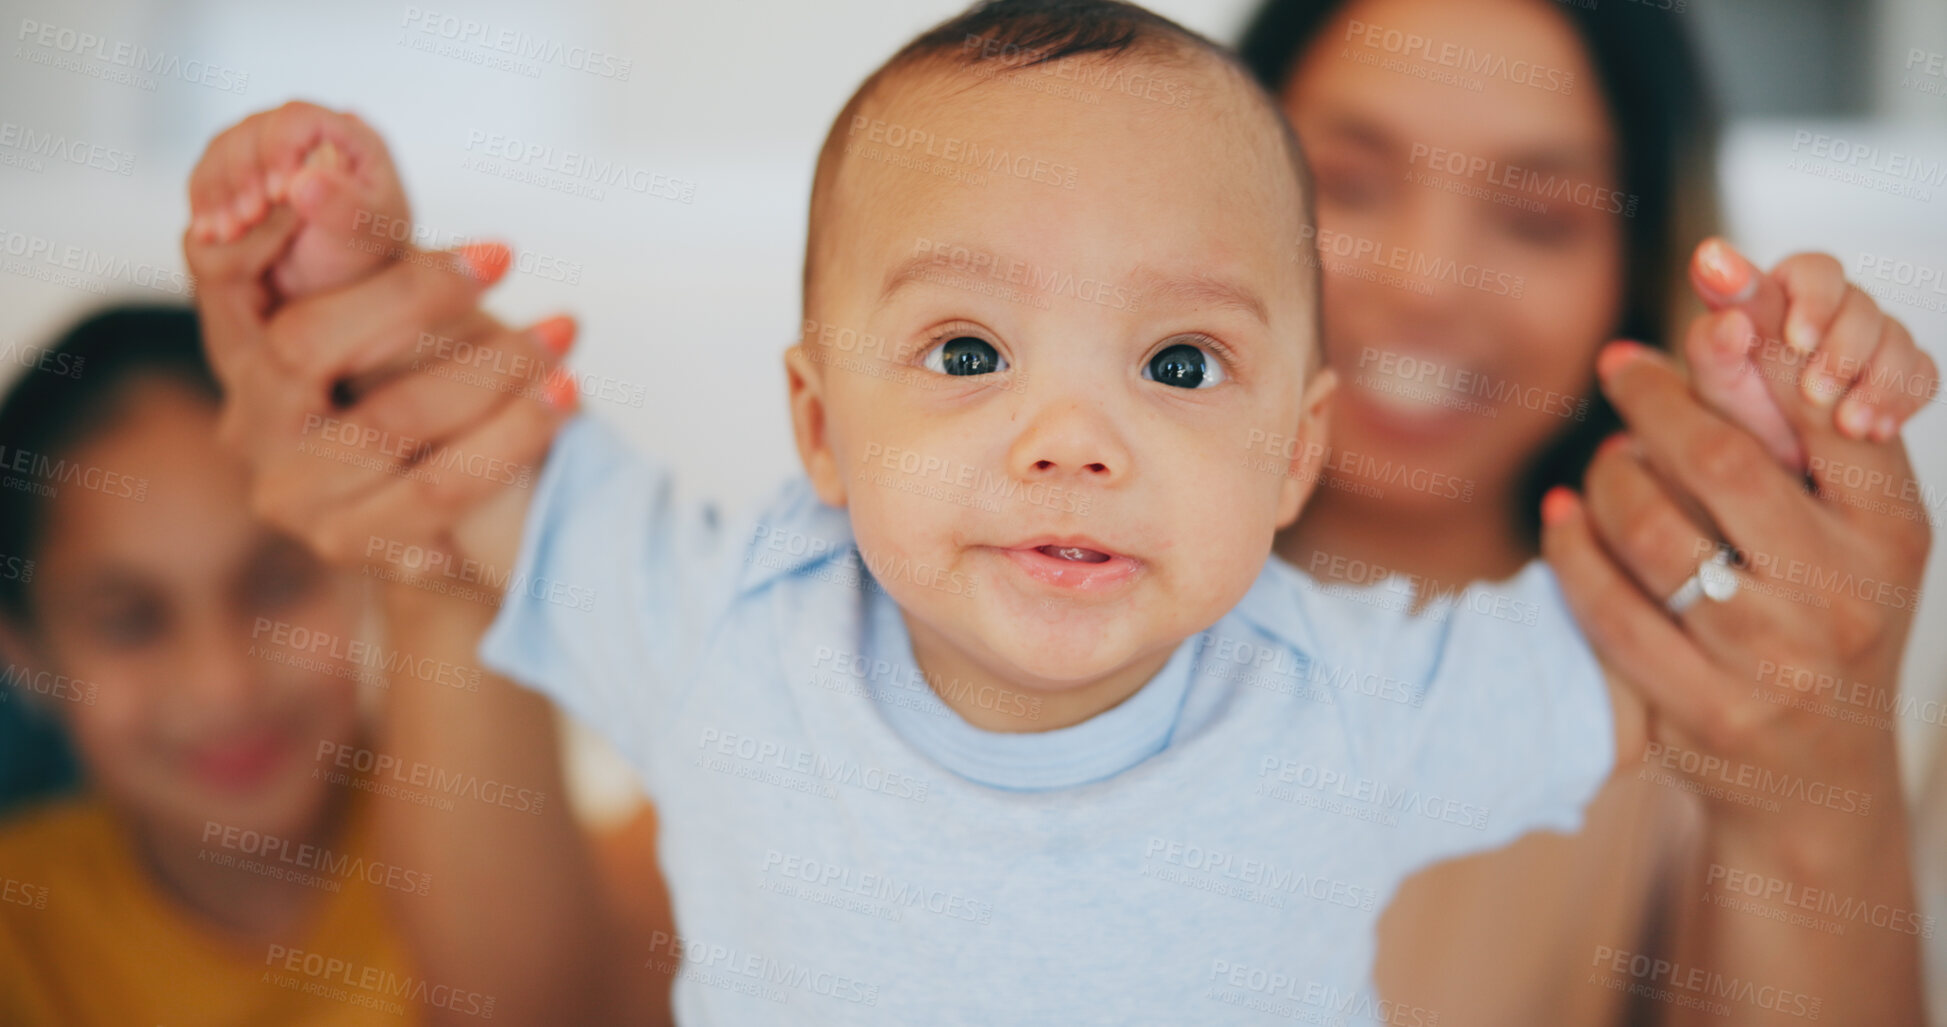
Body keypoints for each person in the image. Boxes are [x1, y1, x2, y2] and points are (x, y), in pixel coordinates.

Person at [183, 1, 1932, 1023]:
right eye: (965, 347)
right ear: (815, 418)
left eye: (1176, 362)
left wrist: (1778, 416)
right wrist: (342, 264)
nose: (1071, 434)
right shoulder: (745, 616)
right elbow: (460, 438)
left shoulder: (1380, 697)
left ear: (1294, 436)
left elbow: (1716, 642)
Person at [1237, 1, 1936, 1022]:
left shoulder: (1704, 719)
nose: (1427, 283)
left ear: (1636, 265)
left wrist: (1815, 791)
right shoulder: (997, 590)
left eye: (1539, 217)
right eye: (1342, 184)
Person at [0, 306, 424, 1026]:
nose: (223, 685)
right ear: (24, 653)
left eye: (278, 581)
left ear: (364, 562)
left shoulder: (497, 849)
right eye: (128, 620)